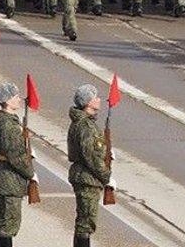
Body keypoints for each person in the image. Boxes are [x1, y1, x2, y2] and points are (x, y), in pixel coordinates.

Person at [0, 83, 34, 247]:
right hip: (9, 179)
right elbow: (15, 156)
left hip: (1, 176)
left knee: (3, 221)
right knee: (9, 224)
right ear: (7, 101)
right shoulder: (9, 126)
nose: (19, 99)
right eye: (15, 97)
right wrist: (31, 173)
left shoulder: (0, 121)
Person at [68, 84, 112, 247]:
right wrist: (106, 176)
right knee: (86, 223)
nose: (99, 99)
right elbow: (90, 156)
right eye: (95, 97)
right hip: (87, 177)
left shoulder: (85, 123)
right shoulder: (85, 126)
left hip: (85, 176)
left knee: (84, 221)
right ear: (88, 102)